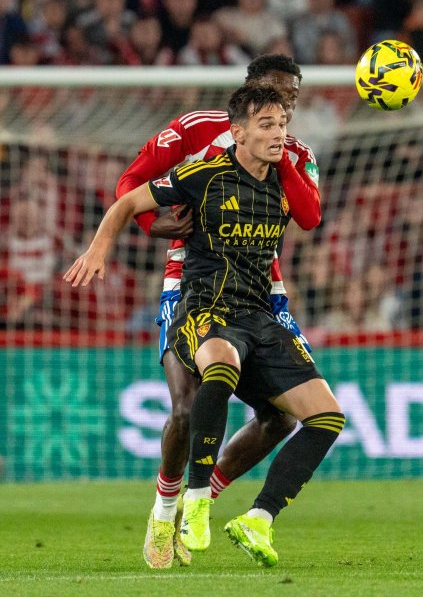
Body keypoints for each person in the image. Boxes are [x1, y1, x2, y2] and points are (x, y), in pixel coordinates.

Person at [68, 69, 332, 570]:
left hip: (261, 293)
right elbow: (131, 184)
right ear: (248, 95)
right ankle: (166, 510)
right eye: (273, 99)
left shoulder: (296, 155)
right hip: (191, 282)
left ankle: (204, 501)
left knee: (282, 417)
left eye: (290, 101)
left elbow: (310, 216)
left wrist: (287, 160)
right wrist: (152, 224)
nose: (284, 110)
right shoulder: (197, 131)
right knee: (189, 407)